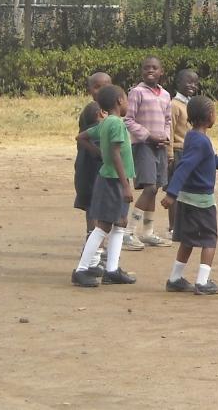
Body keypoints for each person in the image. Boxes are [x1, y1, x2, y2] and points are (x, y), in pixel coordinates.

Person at [161, 96, 218, 295]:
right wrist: (171, 193)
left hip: (187, 198)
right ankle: (202, 281)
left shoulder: (192, 136)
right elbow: (184, 167)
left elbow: (211, 159)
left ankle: (175, 279)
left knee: (188, 240)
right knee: (209, 239)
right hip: (201, 202)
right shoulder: (201, 141)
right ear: (209, 116)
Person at [71, 85, 137, 287]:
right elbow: (116, 153)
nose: (127, 103)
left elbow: (81, 137)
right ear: (119, 101)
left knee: (120, 223)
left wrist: (99, 153)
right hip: (114, 181)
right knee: (104, 227)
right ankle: (81, 270)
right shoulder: (116, 123)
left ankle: (112, 269)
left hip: (112, 178)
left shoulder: (106, 122)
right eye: (126, 99)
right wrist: (125, 185)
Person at [122, 56, 173, 250]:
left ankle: (148, 233)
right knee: (149, 187)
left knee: (156, 187)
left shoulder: (166, 95)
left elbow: (168, 120)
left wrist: (165, 137)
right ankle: (129, 232)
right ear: (141, 72)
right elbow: (128, 120)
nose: (150, 70)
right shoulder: (136, 92)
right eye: (146, 68)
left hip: (160, 146)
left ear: (161, 72)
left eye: (154, 68)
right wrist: (148, 136)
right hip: (143, 145)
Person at [74, 72, 111, 270]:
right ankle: (94, 255)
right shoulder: (95, 110)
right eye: (97, 87)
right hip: (90, 168)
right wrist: (101, 154)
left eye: (106, 86)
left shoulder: (107, 113)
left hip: (97, 168)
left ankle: (96, 252)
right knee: (94, 211)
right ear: (90, 90)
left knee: (97, 211)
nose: (102, 90)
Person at [167, 69, 199, 235]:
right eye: (188, 81)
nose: (192, 85)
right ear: (178, 83)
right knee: (175, 190)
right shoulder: (174, 105)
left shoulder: (192, 104)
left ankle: (186, 224)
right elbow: (170, 130)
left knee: (189, 190)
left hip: (191, 152)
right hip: (178, 151)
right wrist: (170, 154)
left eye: (195, 82)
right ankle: (173, 227)